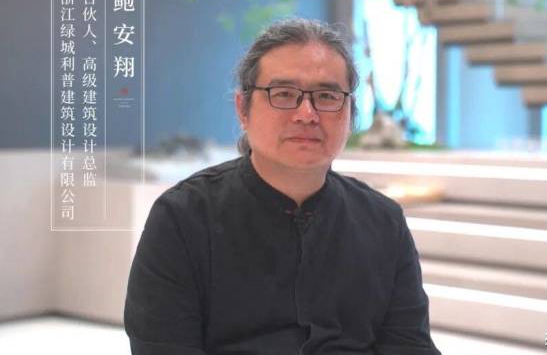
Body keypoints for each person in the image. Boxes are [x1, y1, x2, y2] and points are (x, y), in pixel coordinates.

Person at [124, 18, 441, 355]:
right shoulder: (182, 218)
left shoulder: (383, 221)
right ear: (242, 110)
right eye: (284, 94)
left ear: (350, 113)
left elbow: (410, 346)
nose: (307, 113)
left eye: (327, 96)